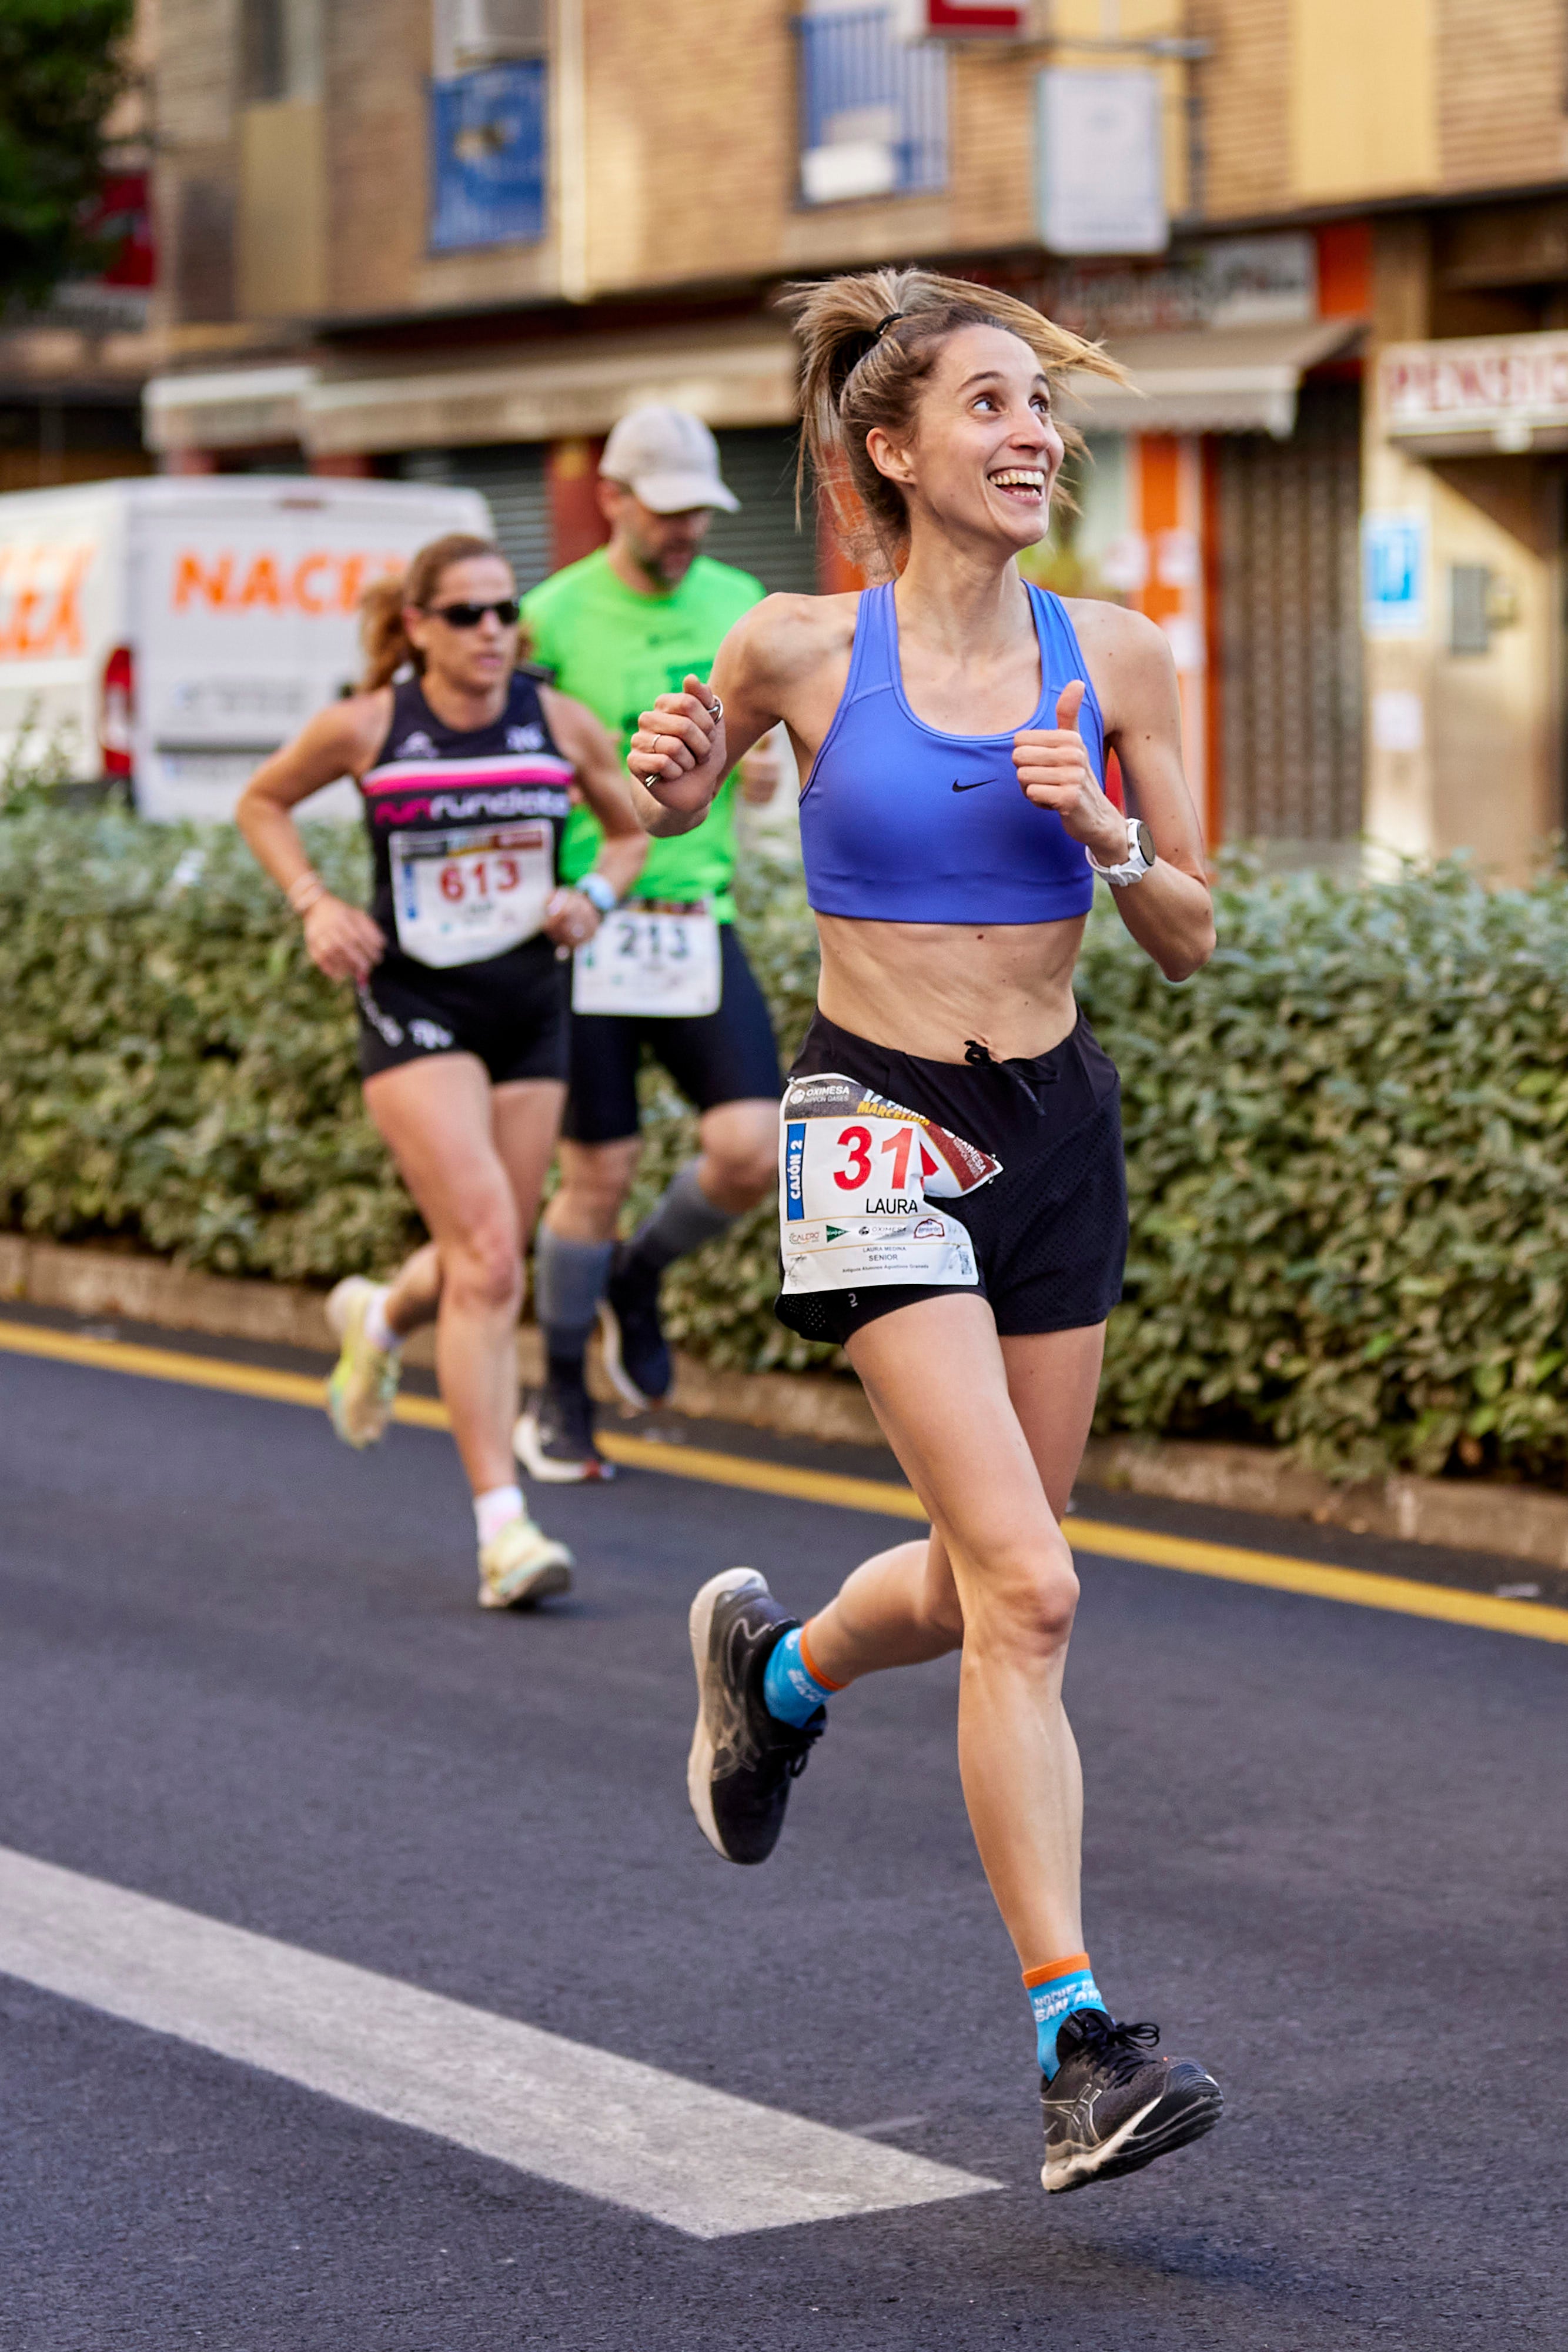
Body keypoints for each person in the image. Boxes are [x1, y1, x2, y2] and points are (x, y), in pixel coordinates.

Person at [628, 269, 1225, 2195]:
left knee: (1002, 1576)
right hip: (871, 1118)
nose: (1028, 437)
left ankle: (777, 1678)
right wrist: (656, 775)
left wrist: (1108, 835)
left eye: (1035, 412)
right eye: (985, 408)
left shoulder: (1116, 659)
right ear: (889, 449)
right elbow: (661, 797)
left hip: (1053, 1121)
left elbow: (1193, 928)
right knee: (1034, 1597)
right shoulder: (797, 647)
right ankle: (1074, 2045)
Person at [236, 533, 644, 1610]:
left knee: (487, 1260)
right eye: (464, 614)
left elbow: (628, 829)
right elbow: (262, 803)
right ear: (416, 626)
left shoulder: (556, 722)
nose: (491, 632)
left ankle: (376, 1319)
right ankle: (502, 1529)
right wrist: (317, 905)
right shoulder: (371, 726)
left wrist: (594, 898)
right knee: (490, 1257)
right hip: (414, 1005)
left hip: (527, 1007)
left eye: (504, 611)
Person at [514, 406, 786, 1485]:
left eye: (700, 515)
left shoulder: (739, 608)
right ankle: (562, 1390)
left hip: (694, 921)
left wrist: (763, 774)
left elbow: (761, 751)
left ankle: (637, 1274)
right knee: (597, 1171)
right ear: (613, 501)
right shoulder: (548, 618)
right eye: (667, 512)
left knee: (751, 1147)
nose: (686, 534)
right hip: (588, 929)